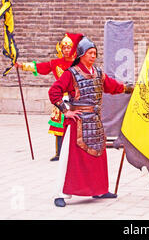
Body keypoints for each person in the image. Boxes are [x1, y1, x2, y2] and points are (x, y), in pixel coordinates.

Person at [48, 35, 133, 207]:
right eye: (90, 53)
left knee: (97, 157)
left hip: (94, 121)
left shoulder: (98, 73)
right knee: (71, 159)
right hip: (78, 122)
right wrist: (66, 111)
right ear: (81, 55)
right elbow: (54, 91)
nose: (93, 56)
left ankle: (99, 190)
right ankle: (61, 193)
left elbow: (112, 86)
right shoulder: (71, 73)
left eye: (95, 53)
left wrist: (131, 88)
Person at [15, 33, 83, 161]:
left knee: (75, 124)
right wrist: (22, 66)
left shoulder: (78, 63)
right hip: (60, 99)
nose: (67, 50)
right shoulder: (55, 63)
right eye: (64, 48)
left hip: (75, 98)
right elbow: (39, 67)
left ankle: (75, 154)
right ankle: (59, 153)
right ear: (60, 49)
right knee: (59, 126)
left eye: (69, 47)